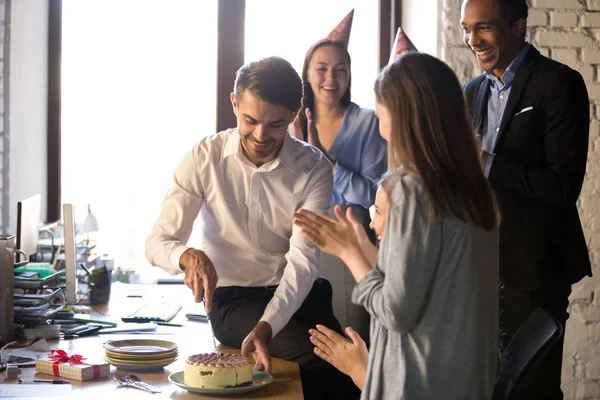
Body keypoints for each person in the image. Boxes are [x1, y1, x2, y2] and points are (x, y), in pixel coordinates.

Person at [145, 56, 359, 399]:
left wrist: (266, 326)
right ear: (234, 103)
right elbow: (157, 241)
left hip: (299, 293)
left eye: (275, 124)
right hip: (233, 299)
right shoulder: (204, 157)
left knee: (351, 367)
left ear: (293, 114)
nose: (260, 135)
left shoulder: (313, 168)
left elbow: (303, 262)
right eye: (250, 120)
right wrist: (187, 255)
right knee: (318, 361)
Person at [293, 52, 500, 399]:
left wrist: (348, 253)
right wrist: (361, 246)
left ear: (402, 112)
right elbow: (422, 286)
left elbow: (395, 312)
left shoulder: (412, 189)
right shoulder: (475, 191)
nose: (378, 121)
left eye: (381, 108)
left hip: (419, 381)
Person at [461, 0, 591, 398]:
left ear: (519, 25)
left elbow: (563, 186)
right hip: (481, 268)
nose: (472, 40)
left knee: (533, 389)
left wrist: (486, 162)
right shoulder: (472, 91)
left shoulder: (560, 83)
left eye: (483, 28)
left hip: (536, 270)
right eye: (466, 29)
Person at [289, 13, 387, 341]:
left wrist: (330, 165)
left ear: (349, 76)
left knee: (352, 337)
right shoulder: (290, 124)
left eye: (340, 69)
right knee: (309, 345)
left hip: (352, 247)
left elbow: (378, 193)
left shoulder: (368, 123)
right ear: (306, 73)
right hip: (298, 246)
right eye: (322, 68)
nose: (331, 78)